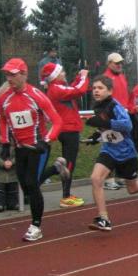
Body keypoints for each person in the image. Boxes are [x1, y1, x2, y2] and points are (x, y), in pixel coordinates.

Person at [0, 58, 66, 241]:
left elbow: (57, 121)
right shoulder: (4, 98)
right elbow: (3, 120)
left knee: (32, 184)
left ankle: (35, 226)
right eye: (7, 74)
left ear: (24, 74)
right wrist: (5, 143)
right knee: (26, 186)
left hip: (38, 148)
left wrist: (46, 141)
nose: (9, 78)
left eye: (13, 74)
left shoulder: (37, 95)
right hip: (20, 148)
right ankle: (56, 168)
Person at [86, 75, 138, 231]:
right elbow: (105, 128)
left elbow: (127, 125)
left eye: (100, 88)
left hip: (126, 153)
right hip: (109, 150)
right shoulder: (97, 106)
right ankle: (104, 219)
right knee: (96, 178)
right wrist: (96, 136)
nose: (96, 91)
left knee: (132, 189)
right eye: (94, 88)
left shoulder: (115, 106)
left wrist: (105, 123)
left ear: (110, 91)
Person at [39, 61, 89, 207]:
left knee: (66, 163)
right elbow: (78, 91)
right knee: (69, 164)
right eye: (61, 72)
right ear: (54, 76)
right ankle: (65, 196)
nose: (64, 73)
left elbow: (72, 88)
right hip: (68, 130)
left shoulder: (57, 87)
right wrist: (84, 77)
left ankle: (39, 182)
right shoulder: (56, 88)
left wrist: (79, 78)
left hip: (67, 129)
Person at [103, 52, 138, 187]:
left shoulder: (122, 77)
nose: (119, 65)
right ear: (109, 63)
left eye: (120, 63)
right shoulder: (105, 78)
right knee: (111, 145)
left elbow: (126, 96)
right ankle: (108, 178)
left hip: (124, 116)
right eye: (116, 63)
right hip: (112, 117)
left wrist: (131, 109)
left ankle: (120, 175)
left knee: (123, 146)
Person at [0, 134, 19, 212]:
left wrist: (11, 162)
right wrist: (3, 163)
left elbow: (17, 156)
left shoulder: (14, 146)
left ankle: (12, 204)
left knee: (12, 190)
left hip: (12, 172)